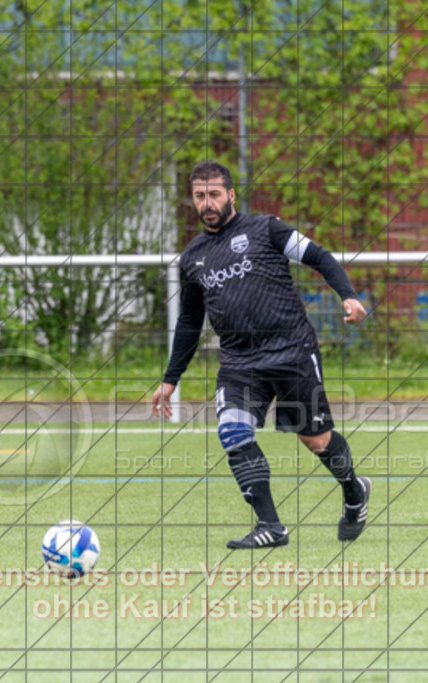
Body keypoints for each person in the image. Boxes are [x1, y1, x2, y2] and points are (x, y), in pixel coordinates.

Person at [151, 160, 371, 549]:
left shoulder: (266, 229)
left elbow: (319, 257)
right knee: (233, 432)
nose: (207, 203)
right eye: (200, 196)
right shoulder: (193, 257)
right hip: (239, 362)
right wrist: (171, 378)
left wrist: (349, 295)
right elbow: (189, 321)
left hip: (292, 351)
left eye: (214, 194)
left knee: (316, 440)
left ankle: (354, 491)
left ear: (231, 195)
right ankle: (271, 526)